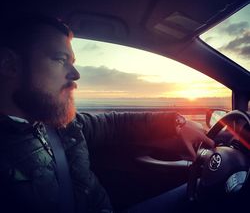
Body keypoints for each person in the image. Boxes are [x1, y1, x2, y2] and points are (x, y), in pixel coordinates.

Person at [0, 14, 214, 213]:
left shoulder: (60, 125)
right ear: (10, 65)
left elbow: (115, 124)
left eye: (72, 62)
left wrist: (176, 122)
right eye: (59, 59)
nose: (75, 74)